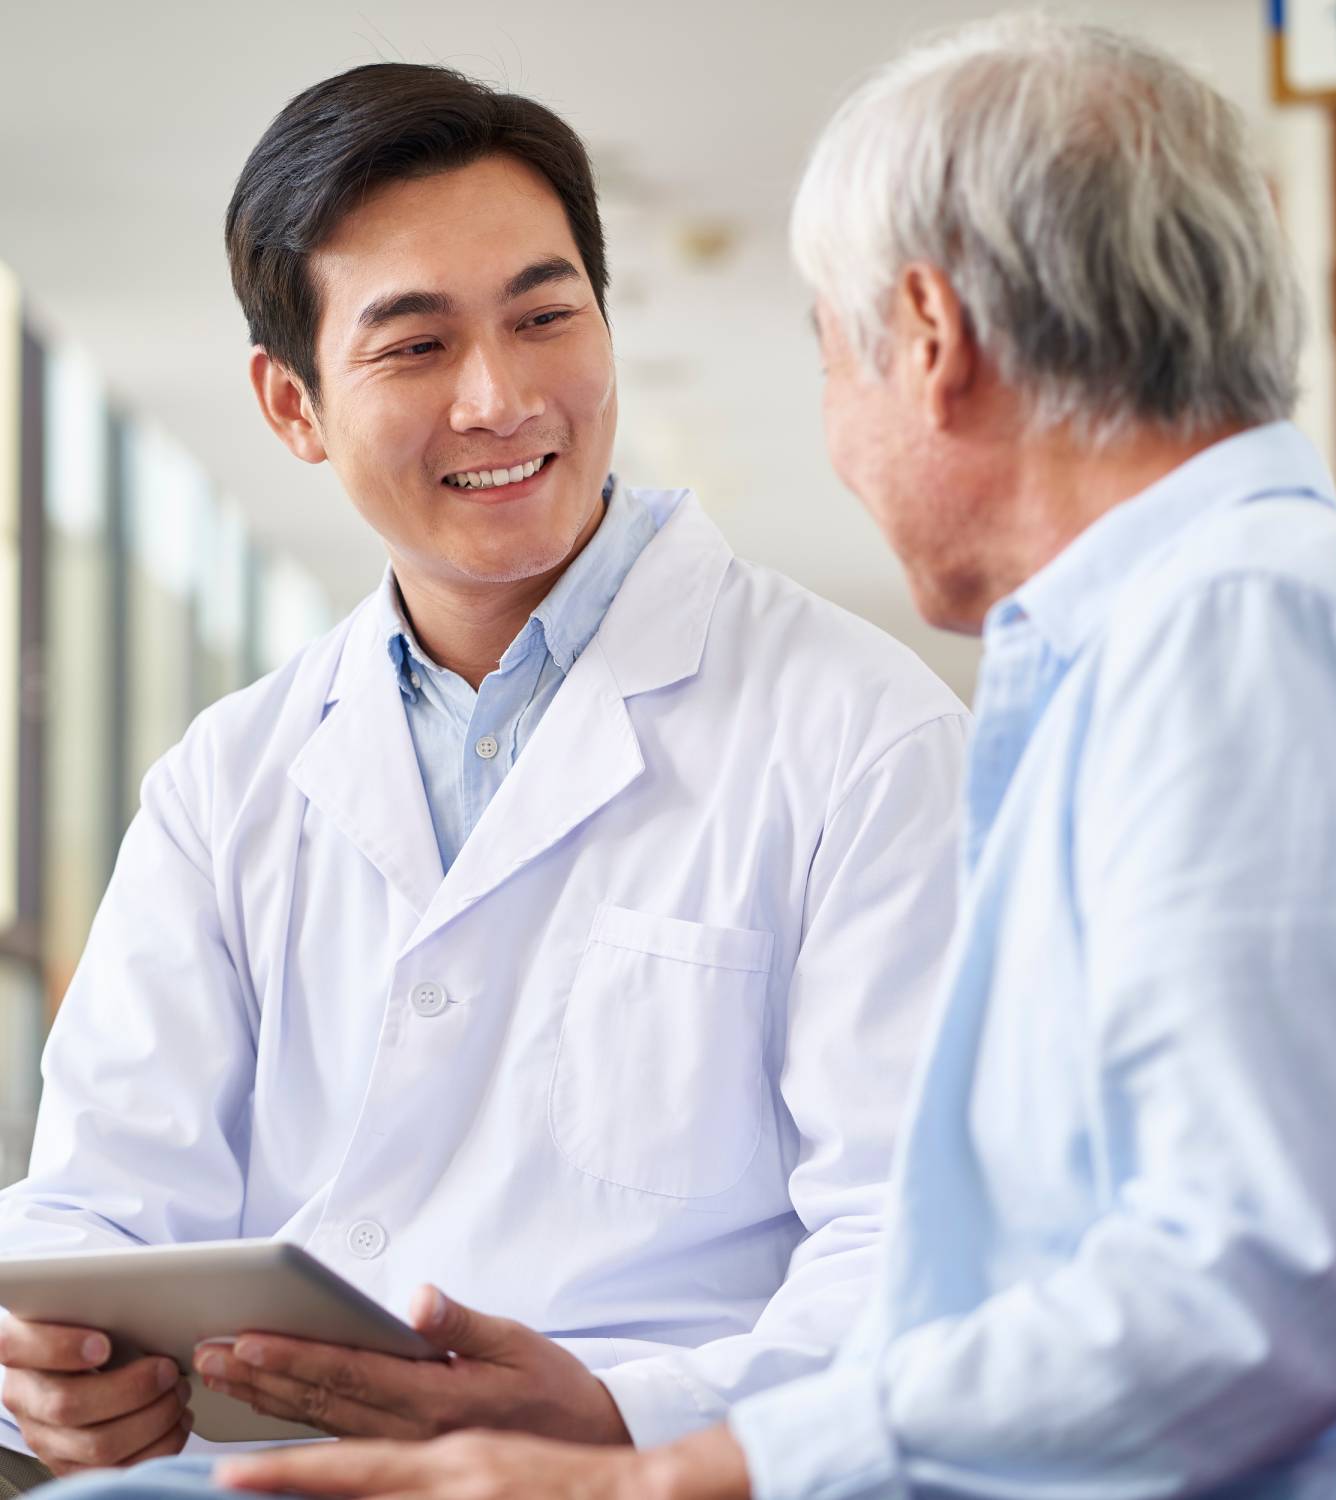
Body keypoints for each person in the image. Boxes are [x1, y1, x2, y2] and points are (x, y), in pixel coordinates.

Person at [178, 12, 1336, 1500]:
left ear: (927, 340)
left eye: (828, 350)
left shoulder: (1247, 636)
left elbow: (1241, 1304)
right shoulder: (1207, 640)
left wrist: (667, 1471)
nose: (835, 429)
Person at [0, 62, 970, 1489]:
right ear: (293, 405)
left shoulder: (862, 731)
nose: (503, 398)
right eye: (413, 346)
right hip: (257, 1473)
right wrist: (54, 1380)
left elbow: (916, 1243)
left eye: (544, 315)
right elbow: (98, 1201)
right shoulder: (228, 779)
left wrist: (622, 1416)